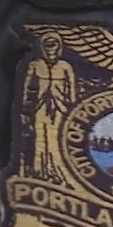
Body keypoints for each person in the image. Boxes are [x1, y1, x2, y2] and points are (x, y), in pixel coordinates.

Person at [21, 32, 76, 182]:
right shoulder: (35, 65)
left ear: (59, 47)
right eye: (47, 46)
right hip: (40, 107)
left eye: (53, 45)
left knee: (56, 139)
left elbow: (71, 91)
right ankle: (39, 170)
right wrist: (25, 108)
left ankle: (56, 171)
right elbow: (26, 88)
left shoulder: (65, 66)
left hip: (60, 108)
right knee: (39, 136)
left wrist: (71, 109)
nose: (50, 49)